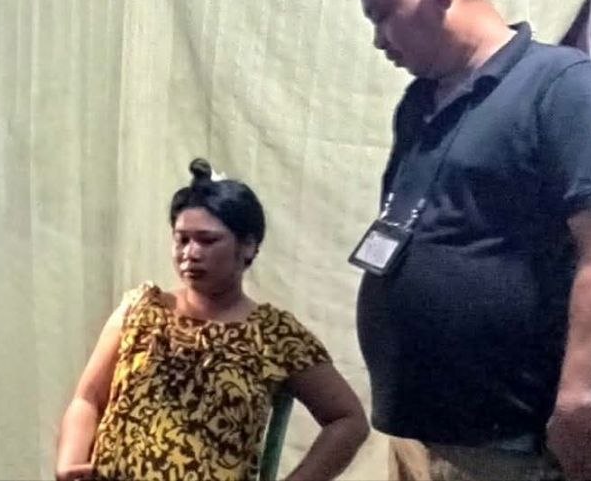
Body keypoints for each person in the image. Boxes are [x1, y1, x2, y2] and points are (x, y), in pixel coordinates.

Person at [351, 0, 591, 481]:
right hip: (423, 432)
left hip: (510, 447)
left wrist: (578, 403)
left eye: (383, 13)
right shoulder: (419, 104)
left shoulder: (565, 87)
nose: (379, 38)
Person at [55, 159, 369, 481]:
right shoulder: (141, 309)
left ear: (248, 246)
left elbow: (348, 420)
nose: (190, 253)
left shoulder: (274, 335)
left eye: (207, 240)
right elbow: (87, 398)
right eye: (182, 239)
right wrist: (70, 462)